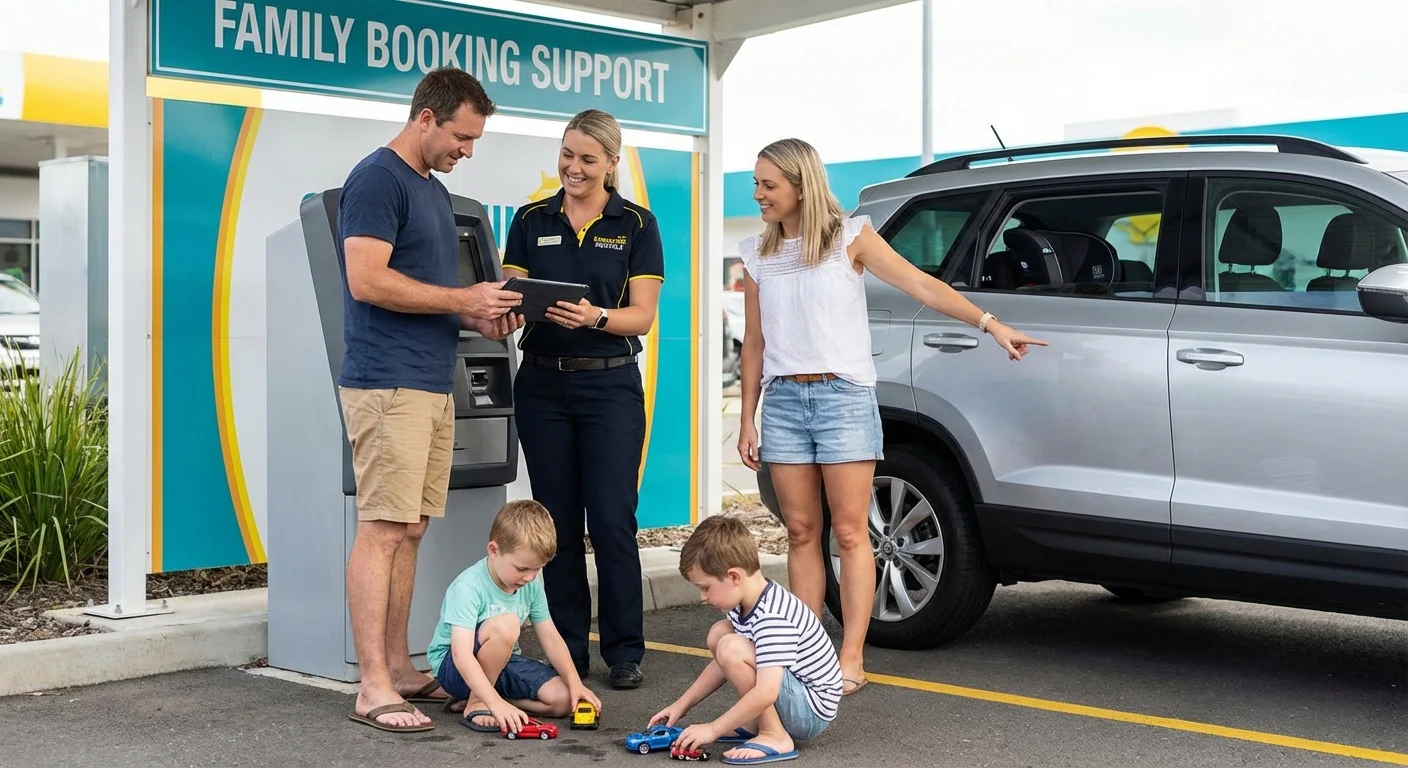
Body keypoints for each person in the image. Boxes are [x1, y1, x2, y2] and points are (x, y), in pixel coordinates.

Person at [734, 138, 1047, 696]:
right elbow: (754, 341)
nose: (757, 195)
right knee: (803, 532)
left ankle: (850, 657)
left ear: (801, 186)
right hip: (783, 401)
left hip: (843, 399)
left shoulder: (850, 238)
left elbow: (921, 285)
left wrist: (990, 323)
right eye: (757, 184)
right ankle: (806, 655)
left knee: (852, 533)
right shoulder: (758, 254)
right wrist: (747, 418)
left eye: (768, 185)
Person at [338, 67, 527, 733]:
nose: (467, 150)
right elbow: (365, 280)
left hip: (427, 378)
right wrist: (461, 299)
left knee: (410, 529)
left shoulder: (433, 191)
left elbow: (430, 294)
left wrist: (481, 317)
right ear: (426, 117)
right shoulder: (376, 179)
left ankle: (398, 665)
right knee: (383, 528)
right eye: (462, 136)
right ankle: (371, 687)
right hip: (387, 381)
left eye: (474, 140)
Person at [500, 109, 663, 691]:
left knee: (613, 521)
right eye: (567, 154)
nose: (573, 167)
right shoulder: (529, 219)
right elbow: (508, 295)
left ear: (612, 164)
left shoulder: (637, 225)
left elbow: (641, 316)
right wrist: (507, 313)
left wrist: (596, 315)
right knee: (557, 523)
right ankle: (568, 649)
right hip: (542, 384)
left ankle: (624, 650)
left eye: (588, 159)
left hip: (609, 384)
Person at [650, 515, 842, 764]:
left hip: (810, 711)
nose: (702, 597)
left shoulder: (772, 617)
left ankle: (775, 735)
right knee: (721, 634)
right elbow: (721, 664)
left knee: (731, 646)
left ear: (734, 577)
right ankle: (757, 724)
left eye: (705, 587)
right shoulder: (745, 602)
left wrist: (713, 729)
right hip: (795, 696)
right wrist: (681, 705)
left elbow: (766, 691)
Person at [426, 499, 604, 735]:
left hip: (502, 663)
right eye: (522, 569)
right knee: (506, 623)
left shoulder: (530, 584)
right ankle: (478, 702)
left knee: (563, 700)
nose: (530, 577)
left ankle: (493, 700)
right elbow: (461, 655)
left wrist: (575, 683)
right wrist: (492, 702)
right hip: (455, 669)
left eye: (537, 569)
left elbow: (550, 636)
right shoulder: (468, 587)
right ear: (493, 550)